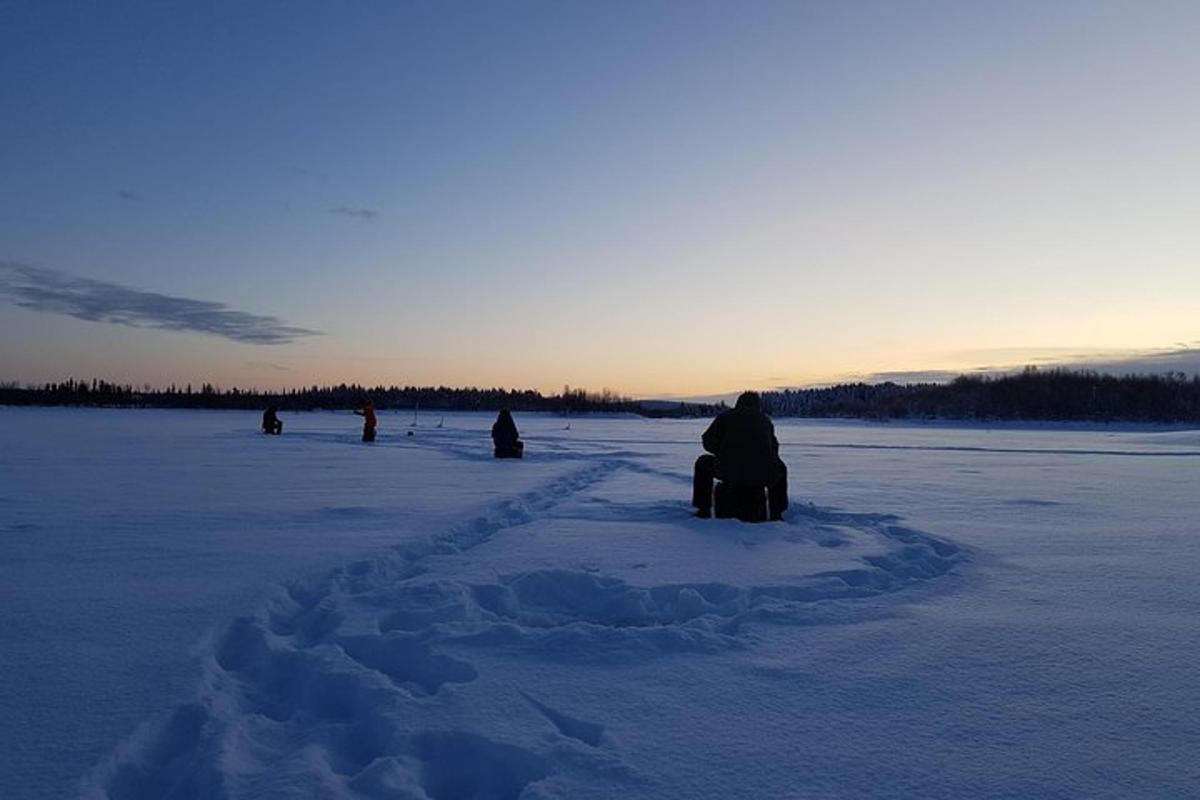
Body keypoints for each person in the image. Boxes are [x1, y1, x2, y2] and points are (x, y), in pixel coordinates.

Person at [692, 391, 788, 521]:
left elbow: (708, 442)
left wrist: (723, 452)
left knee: (703, 463)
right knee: (780, 468)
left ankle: (703, 509)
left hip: (727, 470)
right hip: (760, 472)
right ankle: (777, 513)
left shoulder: (725, 417)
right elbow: (774, 448)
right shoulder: (765, 420)